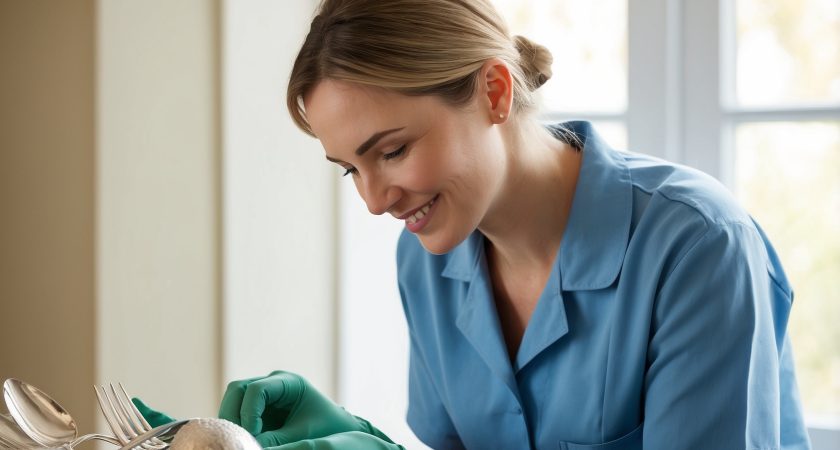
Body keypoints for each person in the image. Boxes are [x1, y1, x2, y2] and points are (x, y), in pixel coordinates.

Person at [136, 0, 813, 448]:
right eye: (350, 169)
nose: (375, 201)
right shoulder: (429, 257)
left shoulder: (697, 247)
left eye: (392, 151)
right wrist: (360, 440)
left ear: (494, 92)